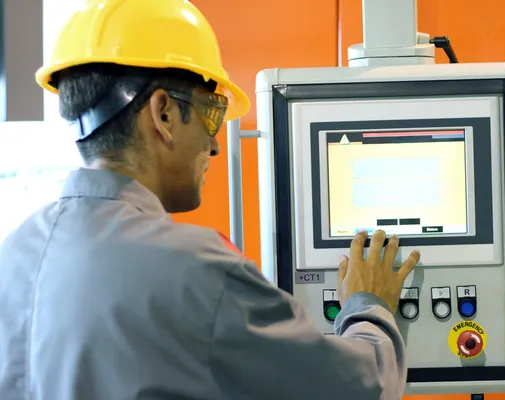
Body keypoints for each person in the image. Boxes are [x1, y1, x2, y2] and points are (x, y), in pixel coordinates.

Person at [0, 0, 421, 399]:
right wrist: (369, 306)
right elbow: (358, 389)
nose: (216, 144)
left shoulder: (15, 255)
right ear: (163, 113)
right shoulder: (196, 271)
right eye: (211, 114)